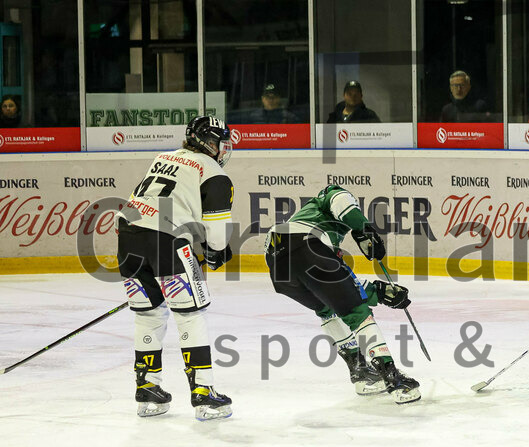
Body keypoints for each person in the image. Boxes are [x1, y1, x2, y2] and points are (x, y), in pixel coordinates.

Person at [116, 115, 235, 421]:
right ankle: (203, 392)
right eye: (220, 143)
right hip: (166, 239)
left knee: (148, 315)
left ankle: (147, 389)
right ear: (208, 143)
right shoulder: (212, 170)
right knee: (190, 314)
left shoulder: (163, 158)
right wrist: (216, 251)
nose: (224, 149)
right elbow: (217, 236)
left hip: (127, 235)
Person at [264, 185, 421, 404]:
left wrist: (379, 292)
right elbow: (338, 198)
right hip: (303, 245)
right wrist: (364, 230)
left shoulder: (319, 236)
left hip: (276, 263)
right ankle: (393, 379)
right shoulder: (326, 202)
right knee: (357, 311)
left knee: (327, 307)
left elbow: (340, 287)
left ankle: (361, 372)